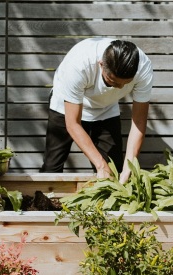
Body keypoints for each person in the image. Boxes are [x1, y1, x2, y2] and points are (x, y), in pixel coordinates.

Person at [40, 38, 153, 183]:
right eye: (112, 82)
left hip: (106, 108)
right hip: (65, 106)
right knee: (51, 168)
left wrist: (129, 168)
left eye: (125, 84)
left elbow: (138, 122)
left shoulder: (143, 68)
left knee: (114, 171)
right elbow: (73, 123)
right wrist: (100, 165)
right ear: (101, 64)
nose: (119, 88)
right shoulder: (79, 64)